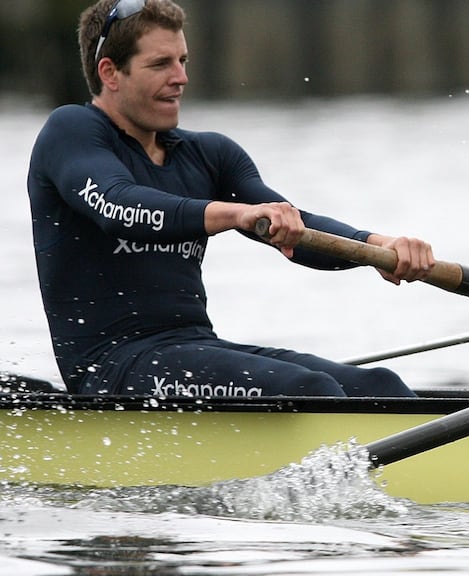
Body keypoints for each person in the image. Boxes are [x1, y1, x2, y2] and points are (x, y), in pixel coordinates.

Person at [26, 0, 436, 398]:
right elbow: (121, 206)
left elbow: (294, 224)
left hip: (190, 347)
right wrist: (236, 214)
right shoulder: (71, 133)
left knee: (381, 388)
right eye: (160, 64)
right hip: (111, 369)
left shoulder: (209, 155)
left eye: (182, 61)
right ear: (110, 73)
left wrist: (378, 246)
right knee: (311, 392)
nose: (180, 78)